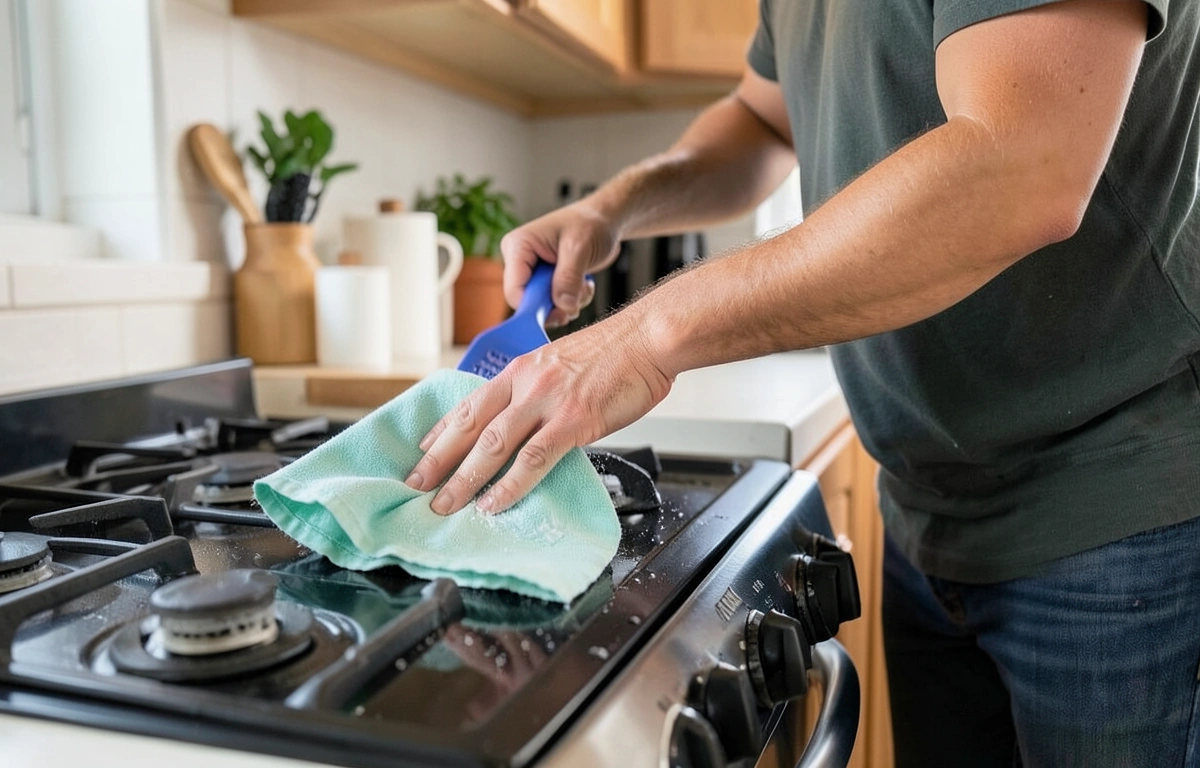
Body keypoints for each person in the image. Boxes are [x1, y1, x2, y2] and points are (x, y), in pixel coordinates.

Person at [404, 0, 1199, 765]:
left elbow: (1022, 162)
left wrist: (645, 335)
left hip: (1120, 516)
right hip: (928, 510)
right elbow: (760, 121)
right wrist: (615, 209)